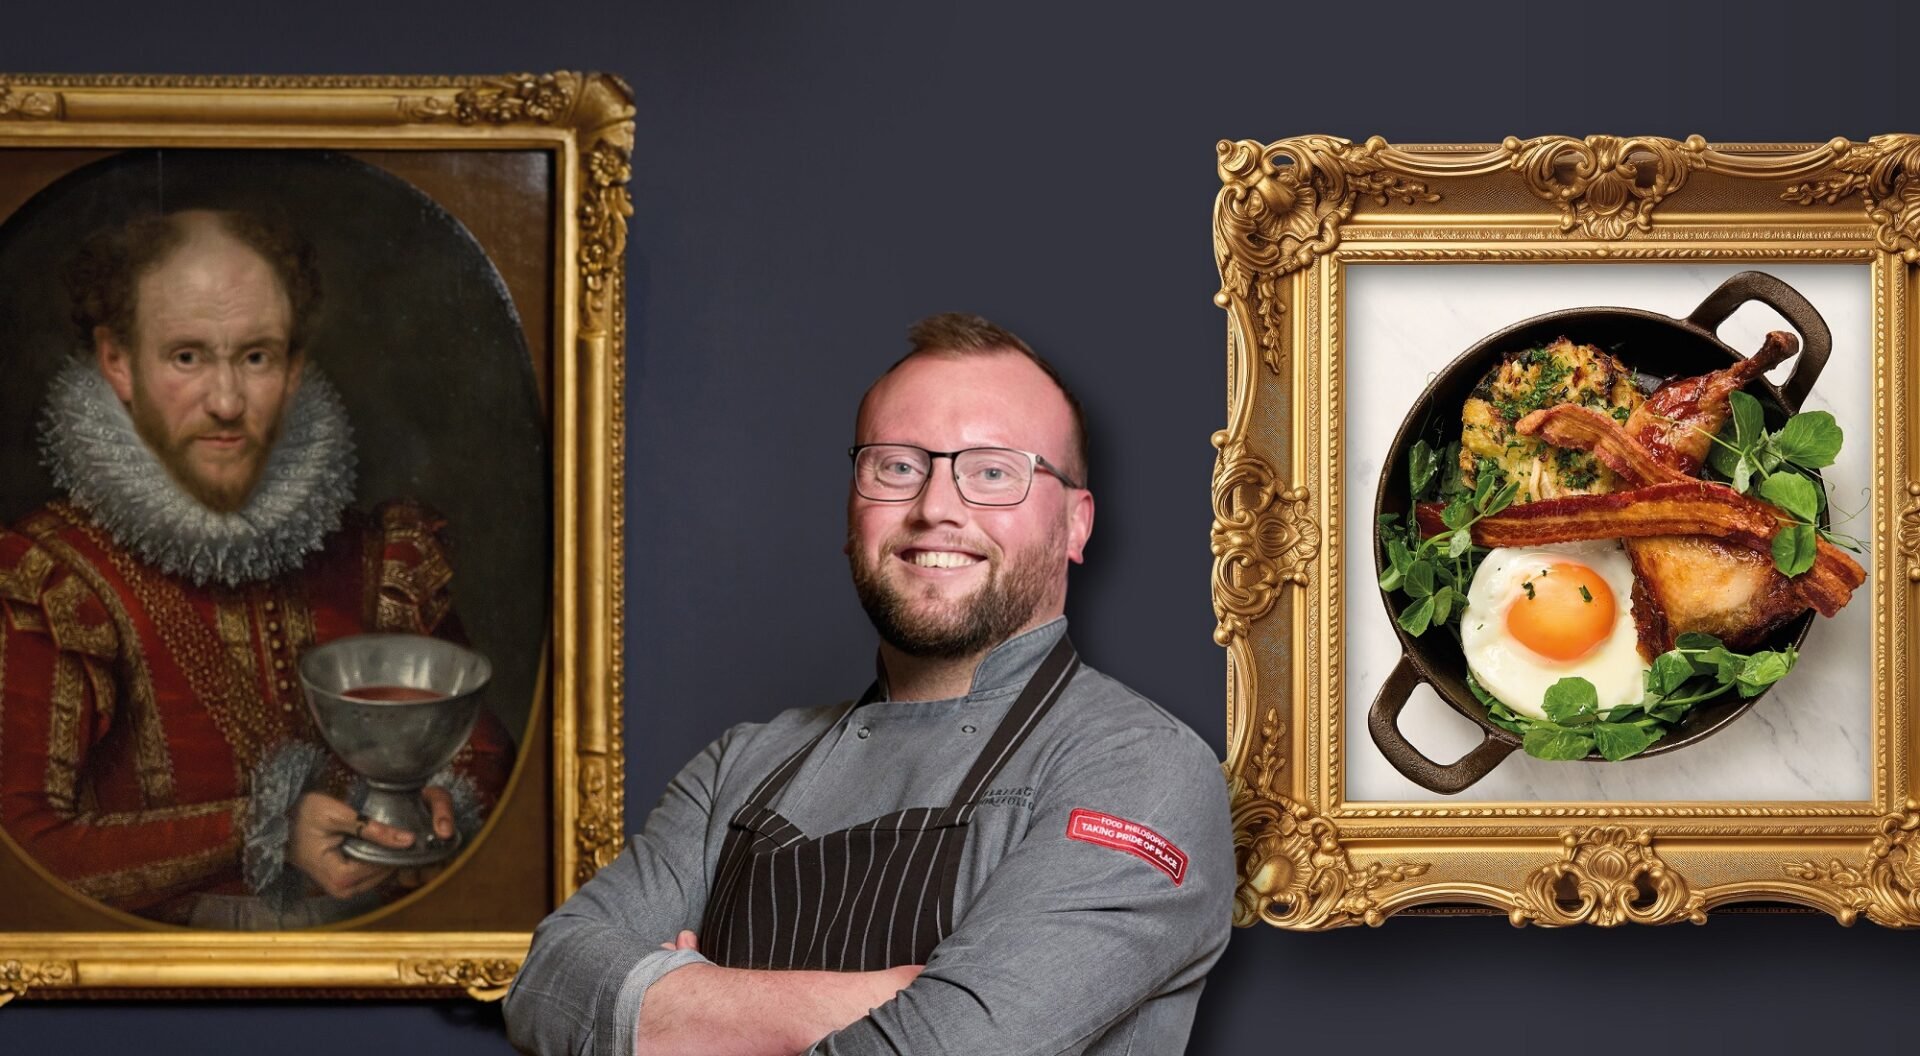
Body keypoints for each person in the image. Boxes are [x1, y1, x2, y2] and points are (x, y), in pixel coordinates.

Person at [505, 314, 1231, 1054]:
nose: (936, 509)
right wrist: (891, 998)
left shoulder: (1142, 768)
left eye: (992, 472)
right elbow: (543, 988)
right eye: (898, 466)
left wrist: (677, 1004)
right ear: (854, 509)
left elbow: (951, 1048)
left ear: (1075, 525)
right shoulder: (741, 766)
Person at [0, 207, 514, 928]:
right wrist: (258, 830)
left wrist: (439, 812)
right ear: (117, 362)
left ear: (295, 367)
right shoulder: (54, 575)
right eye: (187, 357)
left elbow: (486, 753)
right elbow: (22, 853)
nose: (226, 402)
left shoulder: (377, 553)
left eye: (256, 357)